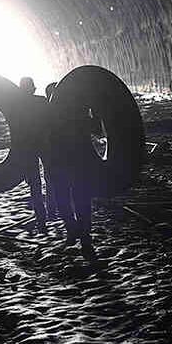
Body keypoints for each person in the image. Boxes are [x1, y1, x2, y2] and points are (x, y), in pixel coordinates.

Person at [45, 82, 99, 253]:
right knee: (81, 198)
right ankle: (83, 234)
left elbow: (38, 139)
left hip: (59, 162)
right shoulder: (78, 115)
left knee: (63, 199)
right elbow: (97, 129)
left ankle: (74, 230)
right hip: (77, 162)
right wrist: (95, 110)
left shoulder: (48, 115)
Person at [17, 77, 50, 229]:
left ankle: (41, 218)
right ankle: (52, 209)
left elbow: (15, 129)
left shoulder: (17, 105)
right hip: (45, 143)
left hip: (28, 147)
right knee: (51, 178)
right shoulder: (42, 101)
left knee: (34, 184)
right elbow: (52, 121)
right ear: (33, 88)